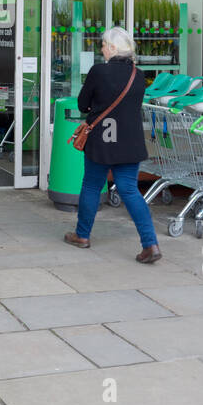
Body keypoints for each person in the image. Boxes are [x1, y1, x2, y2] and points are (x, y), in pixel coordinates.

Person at [64, 27, 161, 263]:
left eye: (105, 45)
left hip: (102, 141)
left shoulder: (99, 71)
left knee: (91, 186)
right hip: (130, 142)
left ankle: (82, 236)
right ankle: (150, 245)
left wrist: (93, 106)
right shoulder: (138, 75)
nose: (102, 49)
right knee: (129, 190)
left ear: (114, 48)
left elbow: (82, 104)